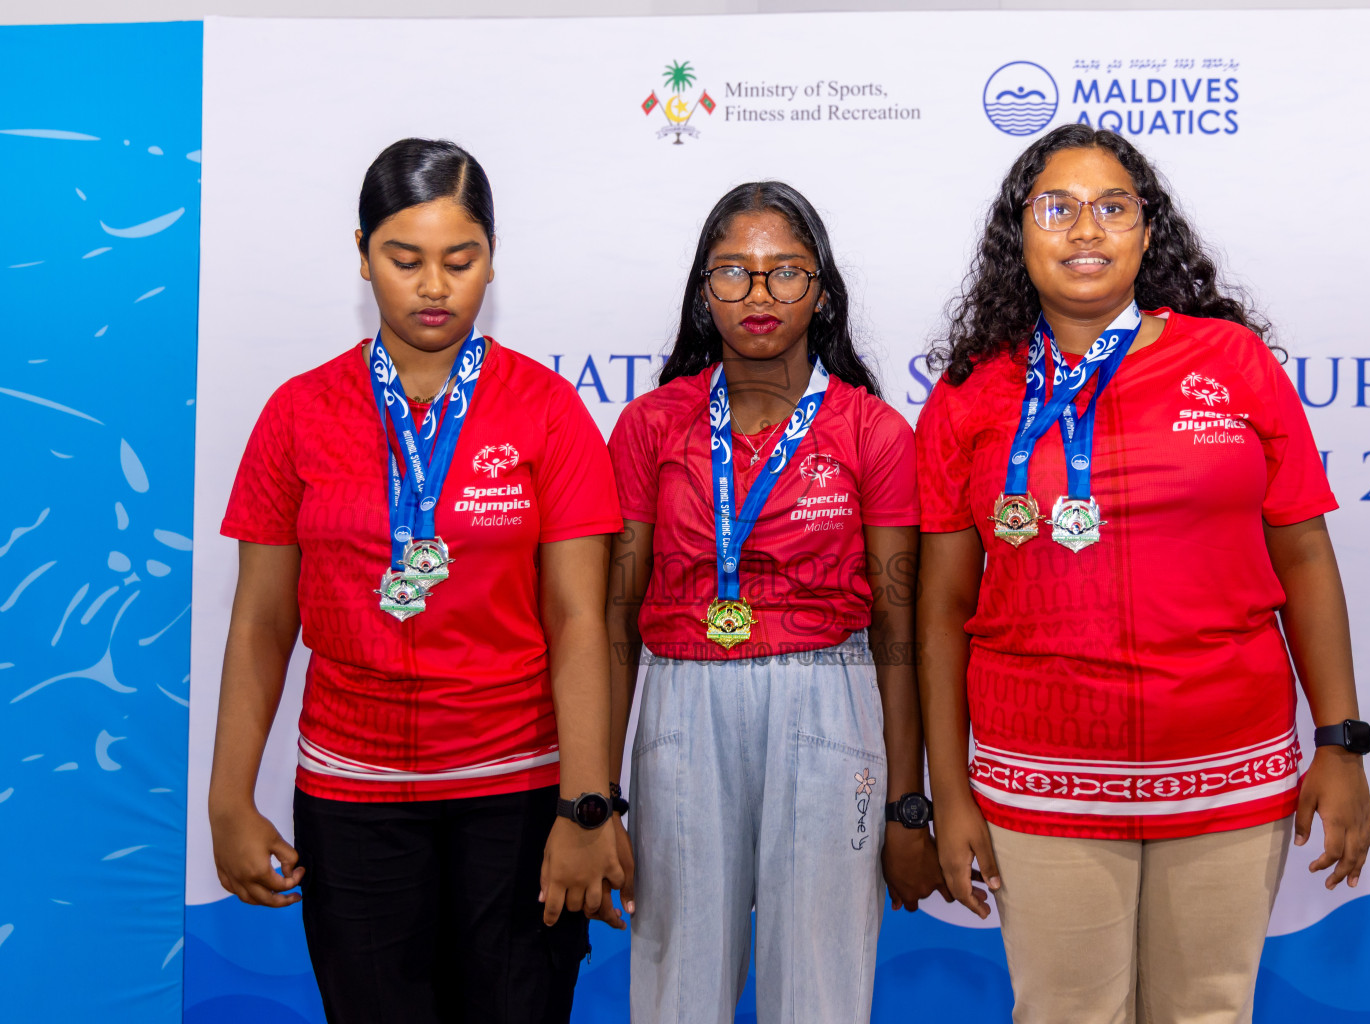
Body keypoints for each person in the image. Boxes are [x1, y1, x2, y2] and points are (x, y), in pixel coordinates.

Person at [916, 124, 1370, 1023]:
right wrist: (949, 792)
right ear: (1019, 232)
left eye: (1113, 207)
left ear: (1147, 230)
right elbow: (941, 608)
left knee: (1209, 1010)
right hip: (1040, 777)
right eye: (1057, 207)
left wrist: (1341, 740)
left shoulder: (1231, 361)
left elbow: (1305, 556)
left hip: (1228, 767)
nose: (1086, 228)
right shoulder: (970, 391)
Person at [208, 138, 628, 1024]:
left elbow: (579, 621)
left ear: (492, 260)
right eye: (405, 259)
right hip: (352, 799)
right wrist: (227, 800)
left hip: (517, 794)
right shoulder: (297, 414)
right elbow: (260, 624)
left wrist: (587, 807)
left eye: (459, 260)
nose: (434, 286)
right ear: (362, 255)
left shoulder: (549, 413)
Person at [606, 181, 948, 1024]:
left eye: (786, 272)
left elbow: (899, 630)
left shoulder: (873, 432)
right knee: (678, 988)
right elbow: (615, 620)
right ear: (704, 291)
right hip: (682, 701)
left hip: (828, 695)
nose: (759, 294)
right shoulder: (650, 426)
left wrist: (909, 807)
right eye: (734, 272)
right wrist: (596, 800)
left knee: (819, 991)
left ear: (822, 291)